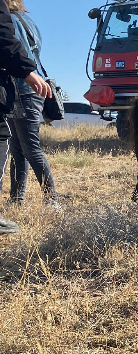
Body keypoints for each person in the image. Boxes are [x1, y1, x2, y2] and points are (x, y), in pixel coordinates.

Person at [0, 0, 49, 233]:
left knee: (28, 148)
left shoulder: (11, 21)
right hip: (28, 87)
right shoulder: (30, 22)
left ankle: (52, 199)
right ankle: (17, 199)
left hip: (23, 86)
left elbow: (11, 50)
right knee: (19, 148)